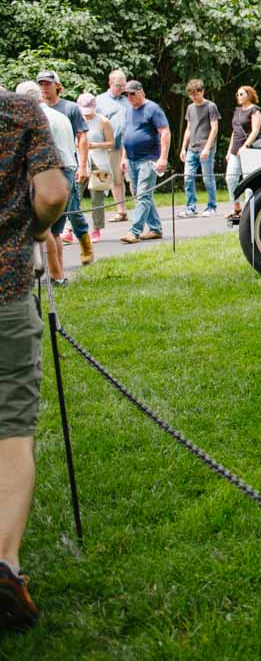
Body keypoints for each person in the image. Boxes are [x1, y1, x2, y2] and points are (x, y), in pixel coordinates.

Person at [0, 86, 67, 632]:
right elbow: (50, 192)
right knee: (10, 430)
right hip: (5, 291)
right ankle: (4, 566)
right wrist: (39, 230)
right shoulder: (18, 110)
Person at [14, 84, 75, 284]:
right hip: (67, 170)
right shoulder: (58, 114)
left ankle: (54, 275)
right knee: (56, 232)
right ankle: (58, 276)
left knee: (44, 228)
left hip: (50, 173)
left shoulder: (37, 118)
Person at [34, 72, 90, 261]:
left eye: (48, 84)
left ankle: (86, 245)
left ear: (57, 85)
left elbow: (82, 137)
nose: (44, 88)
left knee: (73, 208)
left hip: (67, 164)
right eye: (41, 84)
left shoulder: (70, 108)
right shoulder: (37, 109)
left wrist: (82, 166)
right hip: (48, 169)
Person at [119, 80, 169, 245]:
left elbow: (164, 132)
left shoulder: (153, 109)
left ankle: (134, 231)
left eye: (132, 93)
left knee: (143, 195)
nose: (129, 97)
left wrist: (163, 157)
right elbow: (127, 134)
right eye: (126, 94)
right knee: (142, 195)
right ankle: (155, 229)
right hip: (132, 160)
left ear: (141, 92)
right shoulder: (128, 111)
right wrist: (124, 157)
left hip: (148, 159)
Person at [93, 70, 131, 223]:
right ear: (110, 83)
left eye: (124, 85)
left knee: (132, 179)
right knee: (116, 179)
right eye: (118, 85)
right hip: (112, 146)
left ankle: (142, 209)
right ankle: (121, 211)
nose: (122, 88)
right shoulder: (99, 100)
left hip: (129, 145)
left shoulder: (129, 98)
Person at [179, 79, 220, 218]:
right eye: (191, 95)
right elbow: (189, 129)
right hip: (192, 148)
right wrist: (183, 148)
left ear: (202, 91)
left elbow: (214, 128)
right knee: (187, 178)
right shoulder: (190, 108)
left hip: (205, 147)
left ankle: (212, 206)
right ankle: (191, 208)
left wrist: (207, 148)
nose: (194, 97)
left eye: (196, 94)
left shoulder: (211, 106)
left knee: (207, 178)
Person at [76, 94, 114, 244]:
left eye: (89, 109)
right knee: (74, 196)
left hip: (99, 162)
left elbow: (111, 143)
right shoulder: (76, 120)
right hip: (80, 162)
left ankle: (96, 228)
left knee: (96, 198)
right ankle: (70, 228)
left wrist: (94, 145)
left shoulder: (103, 121)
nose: (87, 113)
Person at [225, 86, 261, 225]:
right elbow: (234, 132)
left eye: (241, 94)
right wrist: (230, 151)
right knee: (230, 178)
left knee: (249, 180)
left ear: (249, 95)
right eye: (237, 94)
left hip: (251, 150)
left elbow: (255, 131)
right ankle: (236, 208)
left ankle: (248, 211)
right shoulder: (237, 111)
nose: (238, 96)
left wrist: (245, 146)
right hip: (236, 149)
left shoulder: (255, 110)